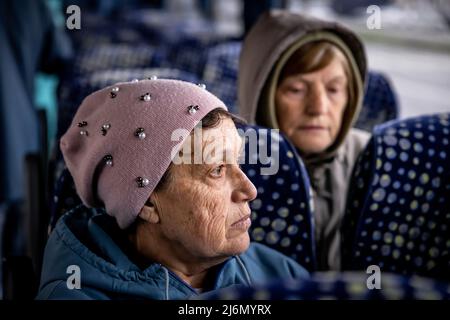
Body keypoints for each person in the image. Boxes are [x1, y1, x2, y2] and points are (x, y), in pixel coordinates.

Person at [36, 79, 309, 300]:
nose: (250, 191)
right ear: (147, 204)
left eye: (237, 163)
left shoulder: (280, 274)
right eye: (216, 171)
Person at [238, 10, 371, 270]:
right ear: (262, 95)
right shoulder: (223, 164)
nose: (318, 107)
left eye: (334, 90)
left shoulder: (375, 163)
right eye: (296, 90)